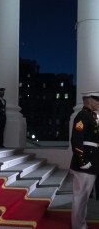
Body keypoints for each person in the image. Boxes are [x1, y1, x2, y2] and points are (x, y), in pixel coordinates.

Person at [70, 91, 99, 229]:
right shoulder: (82, 116)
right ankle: (78, 226)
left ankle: (80, 223)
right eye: (97, 99)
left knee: (84, 198)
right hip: (84, 164)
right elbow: (76, 140)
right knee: (80, 197)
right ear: (89, 100)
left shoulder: (91, 116)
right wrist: (83, 161)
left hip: (91, 162)